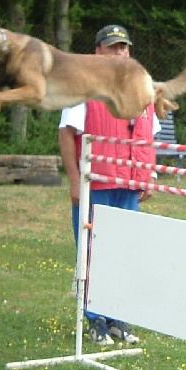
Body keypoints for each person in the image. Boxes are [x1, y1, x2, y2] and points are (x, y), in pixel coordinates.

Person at [58, 24, 160, 346]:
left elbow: (149, 133)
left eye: (124, 48)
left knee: (122, 251)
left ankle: (118, 316)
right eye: (113, 47)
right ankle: (94, 318)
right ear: (98, 51)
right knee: (91, 251)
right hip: (95, 184)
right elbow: (66, 133)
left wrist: (149, 175)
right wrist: (75, 181)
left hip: (128, 184)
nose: (120, 53)